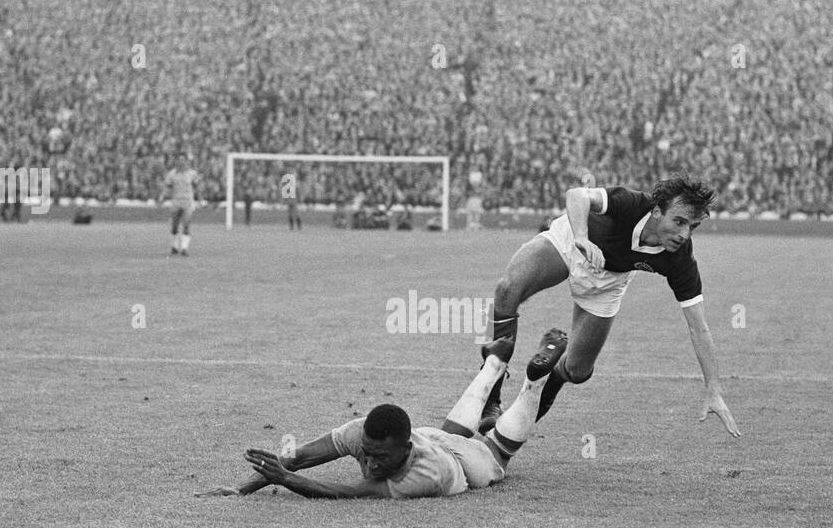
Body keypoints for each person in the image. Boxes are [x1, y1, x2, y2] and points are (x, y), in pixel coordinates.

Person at [476, 174, 740, 437]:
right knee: (506, 290)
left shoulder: (680, 260)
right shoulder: (631, 203)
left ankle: (548, 365)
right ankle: (490, 400)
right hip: (572, 243)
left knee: (577, 371)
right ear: (657, 211)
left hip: (608, 281)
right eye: (679, 221)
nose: (684, 234)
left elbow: (699, 327)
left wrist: (713, 389)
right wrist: (581, 236)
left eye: (692, 227)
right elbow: (576, 195)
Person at [197, 329, 568, 499]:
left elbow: (344, 491)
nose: (371, 464)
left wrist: (284, 480)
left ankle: (531, 382)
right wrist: (242, 488)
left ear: (404, 448)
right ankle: (494, 364)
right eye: (369, 453)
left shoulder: (424, 477)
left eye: (380, 458)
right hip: (433, 438)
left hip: (461, 465)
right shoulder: (365, 433)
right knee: (449, 431)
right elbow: (300, 457)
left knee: (496, 452)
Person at [160, 153, 200, 255]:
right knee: (174, 226)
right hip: (176, 202)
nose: (181, 162)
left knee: (186, 224)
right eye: (179, 159)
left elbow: (197, 187)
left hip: (188, 202)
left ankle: (184, 248)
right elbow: (167, 187)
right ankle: (174, 246)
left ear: (186, 161)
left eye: (183, 160)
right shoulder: (172, 174)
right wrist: (162, 197)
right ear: (176, 161)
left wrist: (199, 199)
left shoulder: (192, 174)